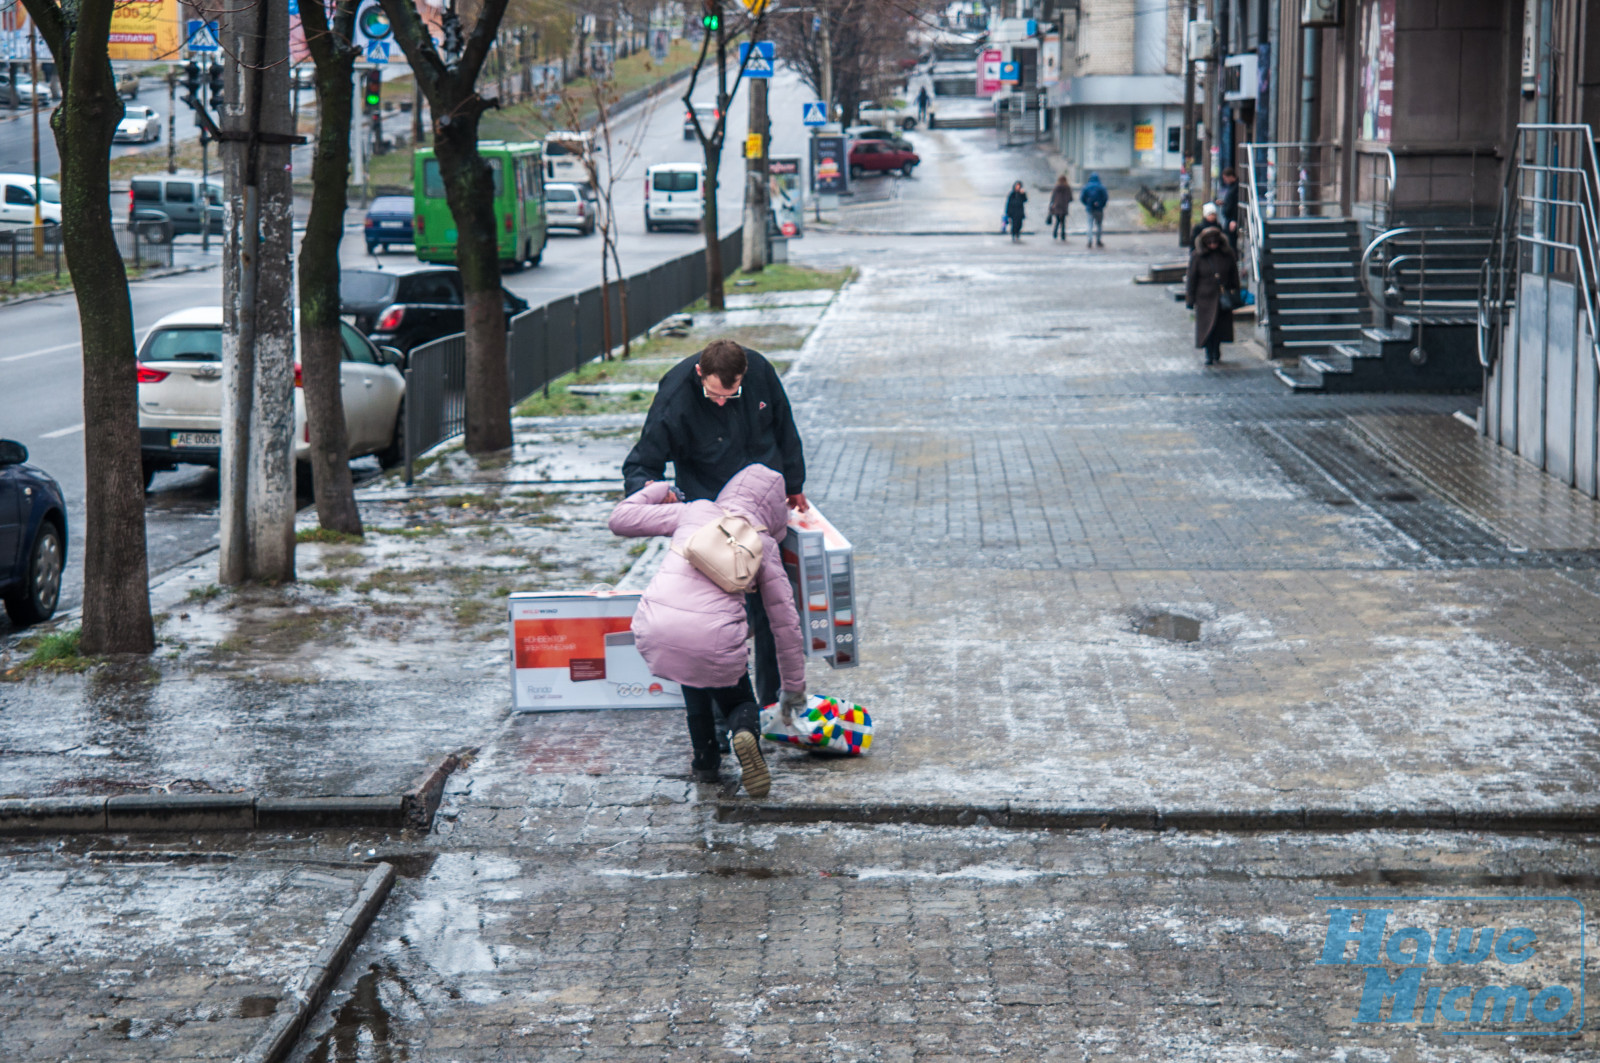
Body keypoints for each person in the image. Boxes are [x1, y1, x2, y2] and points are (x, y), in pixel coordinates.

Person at [622, 338, 806, 718]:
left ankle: (770, 703)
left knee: (773, 607)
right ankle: (728, 711)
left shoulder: (760, 372)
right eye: (715, 395)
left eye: (732, 393)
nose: (723, 401)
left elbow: (785, 426)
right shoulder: (675, 396)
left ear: (744, 376)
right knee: (715, 614)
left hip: (761, 512)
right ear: (699, 374)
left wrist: (795, 484)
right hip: (711, 519)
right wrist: (655, 493)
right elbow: (642, 463)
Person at [609, 464, 807, 796]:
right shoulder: (763, 544)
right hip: (713, 639)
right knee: (739, 698)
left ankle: (705, 761)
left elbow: (620, 520)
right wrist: (794, 689)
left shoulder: (694, 510)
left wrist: (660, 488)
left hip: (656, 625)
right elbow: (785, 625)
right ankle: (744, 733)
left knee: (692, 674)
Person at [1185, 226, 1241, 366]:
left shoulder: (1227, 254)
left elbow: (1233, 274)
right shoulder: (1197, 256)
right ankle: (1209, 353)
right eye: (1209, 243)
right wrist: (1190, 299)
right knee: (1206, 327)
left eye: (1215, 242)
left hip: (1221, 297)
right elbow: (1192, 278)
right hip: (1204, 298)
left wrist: (1235, 290)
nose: (1213, 245)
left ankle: (1216, 350)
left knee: (1219, 327)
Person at [1080, 172, 1108, 248]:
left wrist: (1087, 204)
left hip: (1090, 209)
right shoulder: (1101, 187)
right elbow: (1105, 198)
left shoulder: (1086, 187)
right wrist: (1102, 205)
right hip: (1099, 209)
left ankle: (1090, 240)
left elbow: (1082, 198)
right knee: (1099, 225)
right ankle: (1098, 241)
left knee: (1090, 225)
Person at [1217, 167, 1240, 249]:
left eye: (1225, 178)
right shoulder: (1232, 187)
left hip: (1231, 218)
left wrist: (1234, 219)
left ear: (1230, 176)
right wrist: (1224, 203)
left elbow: (1235, 205)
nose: (1225, 180)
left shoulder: (1236, 187)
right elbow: (1231, 202)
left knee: (1230, 242)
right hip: (1229, 217)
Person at [1047, 174, 1072, 242]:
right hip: (1064, 207)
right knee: (1063, 221)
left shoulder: (1056, 188)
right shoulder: (1067, 188)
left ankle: (1055, 233)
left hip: (1057, 206)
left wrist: (1051, 204)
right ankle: (1063, 235)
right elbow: (1070, 198)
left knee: (1057, 221)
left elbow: (1052, 197)